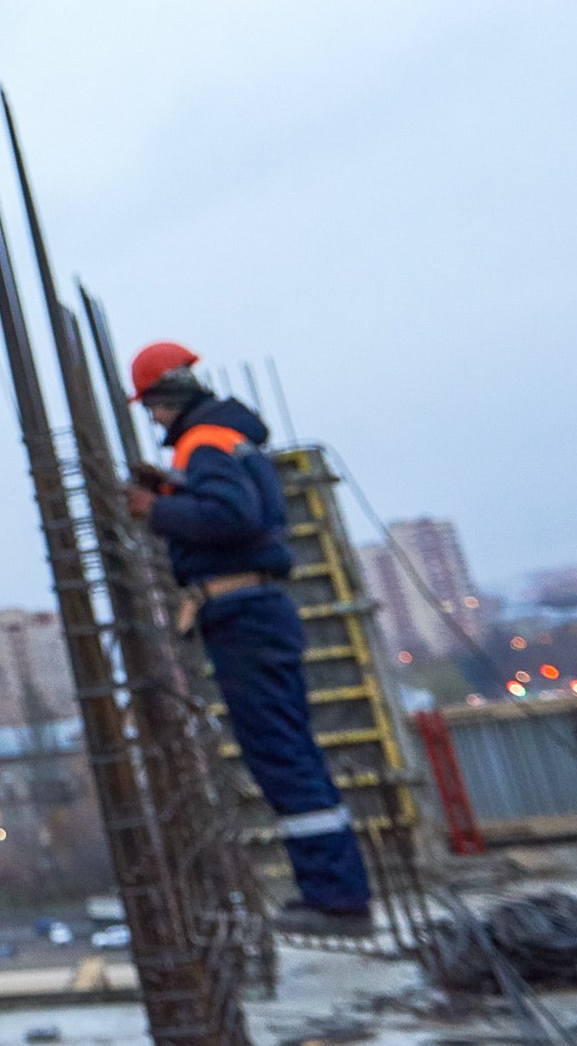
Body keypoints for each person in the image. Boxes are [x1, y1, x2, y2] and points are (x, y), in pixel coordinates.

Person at [121, 340, 373, 937]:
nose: (152, 418)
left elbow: (234, 518)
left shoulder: (201, 441)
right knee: (289, 750)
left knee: (280, 754)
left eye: (152, 406)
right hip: (256, 609)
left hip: (242, 612)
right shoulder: (223, 438)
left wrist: (151, 511)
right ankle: (337, 894)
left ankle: (337, 902)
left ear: (168, 396)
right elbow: (237, 508)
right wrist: (170, 493)